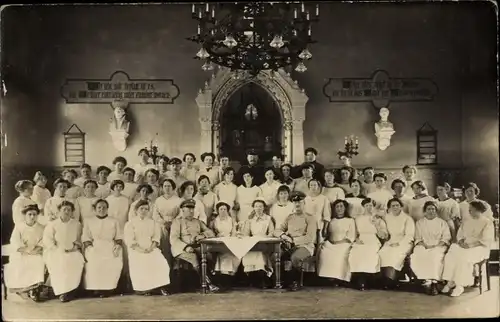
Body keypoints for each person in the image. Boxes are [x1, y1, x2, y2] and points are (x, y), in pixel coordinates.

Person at [441, 200, 495, 297]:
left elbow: (486, 239)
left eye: (472, 210)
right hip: (465, 245)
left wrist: (470, 246)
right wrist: (461, 241)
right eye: (469, 210)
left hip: (479, 247)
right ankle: (450, 281)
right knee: (451, 253)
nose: (469, 212)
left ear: (479, 210)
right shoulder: (467, 220)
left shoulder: (487, 222)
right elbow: (460, 234)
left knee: (463, 257)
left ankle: (460, 285)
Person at [170, 199, 219, 293]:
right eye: (188, 209)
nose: (191, 211)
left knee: (208, 254)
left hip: (195, 246)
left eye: (192, 208)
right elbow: (174, 239)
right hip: (180, 249)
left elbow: (210, 232)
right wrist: (185, 247)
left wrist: (202, 235)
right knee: (194, 257)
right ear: (182, 210)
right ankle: (207, 283)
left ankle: (209, 279)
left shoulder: (197, 222)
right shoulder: (177, 222)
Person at [124, 200, 171, 296]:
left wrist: (151, 248)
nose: (144, 211)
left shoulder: (153, 223)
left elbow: (156, 237)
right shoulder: (130, 223)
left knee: (162, 262)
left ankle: (160, 287)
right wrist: (141, 250)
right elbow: (129, 240)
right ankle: (145, 289)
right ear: (136, 210)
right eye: (141, 209)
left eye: (146, 209)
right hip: (136, 249)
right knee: (142, 263)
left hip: (151, 247)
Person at [43, 201, 85, 302]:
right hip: (56, 250)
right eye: (64, 209)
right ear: (59, 211)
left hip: (73, 250)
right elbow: (47, 239)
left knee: (76, 261)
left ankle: (70, 291)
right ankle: (61, 291)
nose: (66, 212)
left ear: (72, 212)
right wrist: (56, 249)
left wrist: (75, 247)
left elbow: (80, 239)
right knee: (60, 262)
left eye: (69, 210)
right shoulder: (53, 224)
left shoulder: (77, 224)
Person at [274, 191, 316, 291]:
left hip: (305, 246)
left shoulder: (310, 218)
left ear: (304, 204)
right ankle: (280, 281)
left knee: (295, 257)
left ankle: (295, 282)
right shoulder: (289, 217)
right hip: (290, 246)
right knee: (276, 256)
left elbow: (310, 237)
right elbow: (276, 231)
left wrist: (292, 240)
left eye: (300, 202)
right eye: (295, 202)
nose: (297, 204)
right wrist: (284, 236)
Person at [82, 199, 124, 297]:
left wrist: (117, 245)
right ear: (95, 209)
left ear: (107, 209)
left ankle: (108, 288)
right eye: (99, 207)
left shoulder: (114, 221)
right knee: (94, 262)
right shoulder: (89, 221)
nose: (102, 209)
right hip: (94, 246)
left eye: (104, 207)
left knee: (112, 261)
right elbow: (86, 237)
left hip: (110, 245)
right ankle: (95, 288)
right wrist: (90, 248)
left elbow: (118, 236)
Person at [4, 204, 45, 302]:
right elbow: (15, 242)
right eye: (29, 214)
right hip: (21, 252)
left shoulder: (41, 228)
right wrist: (26, 250)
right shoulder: (19, 227)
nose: (32, 217)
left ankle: (34, 289)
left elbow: (43, 242)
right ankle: (24, 289)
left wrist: (36, 250)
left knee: (38, 261)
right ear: (25, 215)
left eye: (34, 214)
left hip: (35, 252)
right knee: (19, 263)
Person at [410, 201, 451, 295]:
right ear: (425, 211)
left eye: (433, 209)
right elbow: (418, 237)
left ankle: (434, 282)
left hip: (439, 245)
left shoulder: (442, 223)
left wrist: (436, 245)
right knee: (418, 255)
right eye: (428, 209)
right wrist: (425, 245)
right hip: (423, 245)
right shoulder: (420, 223)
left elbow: (446, 237)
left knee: (434, 256)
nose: (431, 211)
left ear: (436, 211)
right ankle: (427, 280)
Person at [348, 198, 388, 291]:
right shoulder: (358, 218)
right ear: (363, 207)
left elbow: (384, 236)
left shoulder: (378, 219)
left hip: (373, 239)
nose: (368, 208)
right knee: (355, 252)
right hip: (361, 239)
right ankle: (360, 280)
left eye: (370, 206)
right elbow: (354, 232)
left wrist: (376, 225)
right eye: (366, 206)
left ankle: (369, 280)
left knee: (370, 253)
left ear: (373, 207)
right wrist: (356, 239)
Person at [378, 198, 415, 289]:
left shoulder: (407, 218)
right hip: (391, 240)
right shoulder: (387, 217)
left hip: (404, 241)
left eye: (397, 205)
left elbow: (409, 235)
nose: (395, 207)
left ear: (401, 207)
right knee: (382, 253)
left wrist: (399, 244)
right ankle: (385, 278)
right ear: (389, 208)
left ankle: (392, 279)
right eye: (392, 206)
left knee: (395, 253)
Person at [317, 199, 355, 285]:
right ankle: (327, 278)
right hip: (331, 243)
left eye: (341, 206)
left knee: (340, 254)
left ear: (345, 208)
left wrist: (339, 242)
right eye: (337, 206)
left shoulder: (350, 220)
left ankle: (339, 278)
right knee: (324, 251)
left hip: (344, 243)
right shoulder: (332, 221)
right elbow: (327, 235)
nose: (339, 208)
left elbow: (351, 236)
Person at [241, 199, 275, 289]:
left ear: (264, 208)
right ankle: (253, 279)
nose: (258, 208)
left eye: (260, 206)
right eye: (256, 206)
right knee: (249, 253)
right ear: (253, 208)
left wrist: (266, 238)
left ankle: (263, 279)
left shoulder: (268, 219)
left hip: (265, 242)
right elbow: (246, 233)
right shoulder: (250, 220)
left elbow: (272, 232)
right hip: (253, 242)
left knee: (260, 254)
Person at [209, 201, 241, 290]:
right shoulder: (214, 221)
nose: (223, 211)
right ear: (218, 211)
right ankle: (224, 280)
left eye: (225, 209)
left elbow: (234, 231)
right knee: (225, 256)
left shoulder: (231, 220)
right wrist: (217, 235)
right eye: (221, 209)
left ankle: (230, 279)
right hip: (219, 242)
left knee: (235, 255)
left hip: (230, 241)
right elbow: (211, 232)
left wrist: (234, 237)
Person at [304, 179, 331, 243]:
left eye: (315, 185)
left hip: (319, 224)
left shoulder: (324, 198)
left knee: (318, 243)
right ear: (309, 187)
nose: (313, 187)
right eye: (311, 185)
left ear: (318, 186)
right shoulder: (306, 199)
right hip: (307, 226)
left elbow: (327, 215)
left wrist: (325, 228)